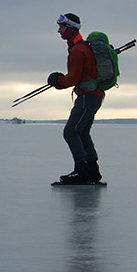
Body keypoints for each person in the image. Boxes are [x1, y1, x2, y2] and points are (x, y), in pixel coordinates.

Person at [47, 13, 105, 185]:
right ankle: (93, 171)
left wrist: (57, 80)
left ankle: (81, 171)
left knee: (71, 131)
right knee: (82, 132)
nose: (59, 31)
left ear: (71, 29)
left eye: (62, 27)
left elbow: (73, 79)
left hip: (88, 97)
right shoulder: (79, 47)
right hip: (93, 96)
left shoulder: (78, 50)